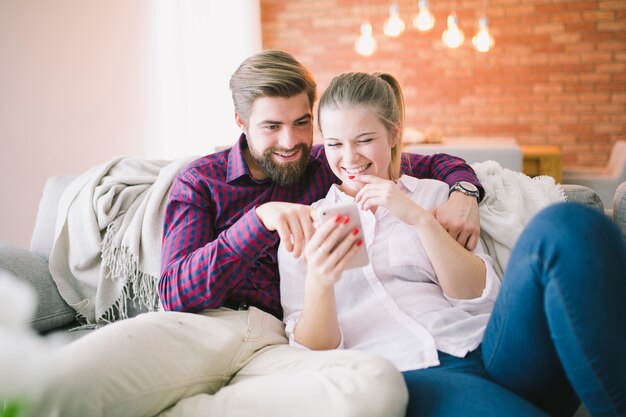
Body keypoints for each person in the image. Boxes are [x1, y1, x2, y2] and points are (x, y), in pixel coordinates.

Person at [29, 50, 486, 417]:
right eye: (271, 126)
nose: (290, 141)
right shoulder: (202, 181)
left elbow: (412, 160)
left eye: (302, 123)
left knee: (372, 391)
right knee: (65, 385)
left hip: (279, 340)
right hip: (204, 325)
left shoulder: (322, 163)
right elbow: (173, 291)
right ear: (241, 124)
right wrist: (257, 220)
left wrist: (465, 191)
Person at [279, 71, 626, 417]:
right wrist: (320, 280)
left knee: (566, 223)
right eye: (336, 144)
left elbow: (477, 295)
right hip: (414, 373)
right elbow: (313, 348)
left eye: (364, 139)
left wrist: (419, 218)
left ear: (393, 134)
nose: (350, 158)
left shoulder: (434, 195)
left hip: (495, 348)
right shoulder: (306, 227)